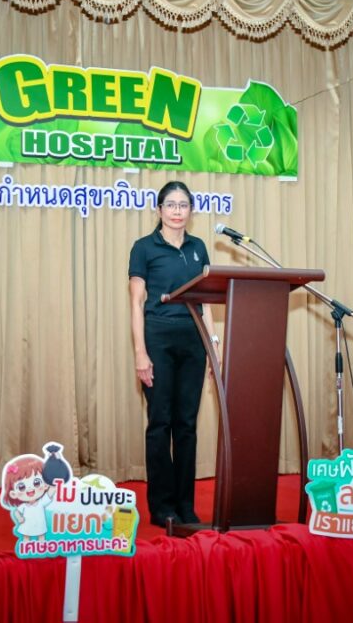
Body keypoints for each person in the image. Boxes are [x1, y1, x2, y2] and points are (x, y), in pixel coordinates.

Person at [128, 181, 218, 527]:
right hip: (158, 338)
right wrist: (140, 353)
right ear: (159, 209)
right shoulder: (143, 248)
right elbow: (136, 303)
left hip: (193, 341)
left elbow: (206, 302)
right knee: (160, 422)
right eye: (171, 204)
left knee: (186, 425)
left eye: (183, 205)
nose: (177, 211)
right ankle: (162, 507)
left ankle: (185, 505)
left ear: (190, 211)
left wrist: (213, 347)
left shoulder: (198, 248)